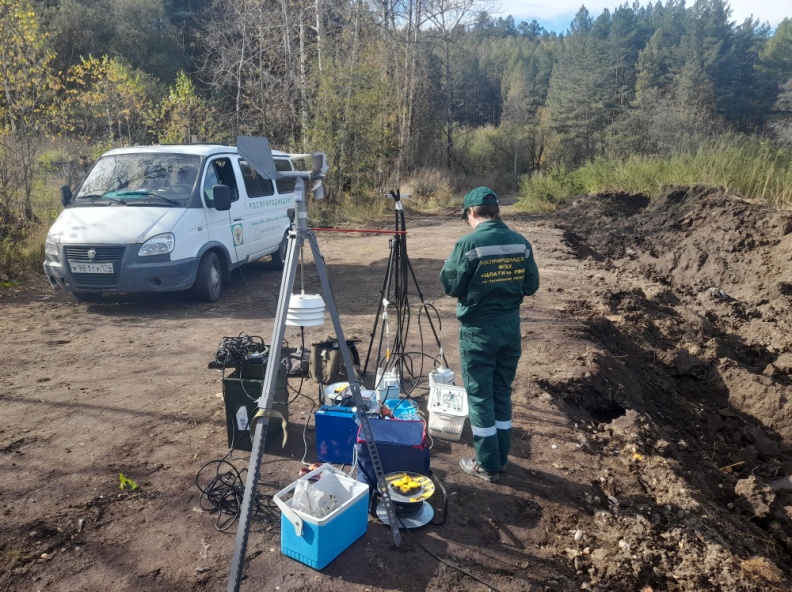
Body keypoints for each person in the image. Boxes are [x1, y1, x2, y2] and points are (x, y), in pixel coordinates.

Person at [439, 187, 540, 483]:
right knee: (501, 392)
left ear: (471, 212)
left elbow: (452, 286)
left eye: (467, 216)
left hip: (479, 332)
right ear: (497, 211)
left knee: (480, 396)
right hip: (509, 329)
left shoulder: (468, 243)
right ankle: (501, 458)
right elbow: (531, 285)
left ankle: (487, 464)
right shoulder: (520, 242)